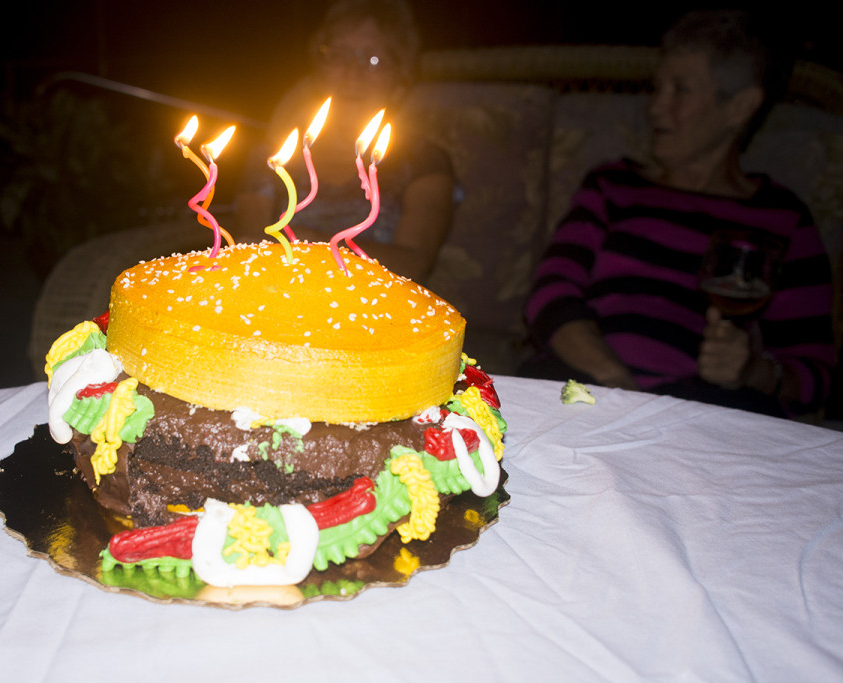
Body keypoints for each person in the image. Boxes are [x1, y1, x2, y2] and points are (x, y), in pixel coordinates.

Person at [521, 10, 837, 417]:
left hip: (710, 409)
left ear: (739, 106)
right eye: (658, 88)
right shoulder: (613, 184)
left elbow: (818, 374)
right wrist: (620, 387)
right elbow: (551, 294)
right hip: (586, 383)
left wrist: (755, 371)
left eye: (680, 90)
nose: (655, 108)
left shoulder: (782, 219)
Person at [234, 0, 454, 283]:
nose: (353, 73)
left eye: (375, 60)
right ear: (318, 70)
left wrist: (314, 244)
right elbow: (246, 248)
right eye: (338, 56)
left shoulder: (424, 162)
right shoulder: (274, 157)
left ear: (401, 82)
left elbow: (413, 263)